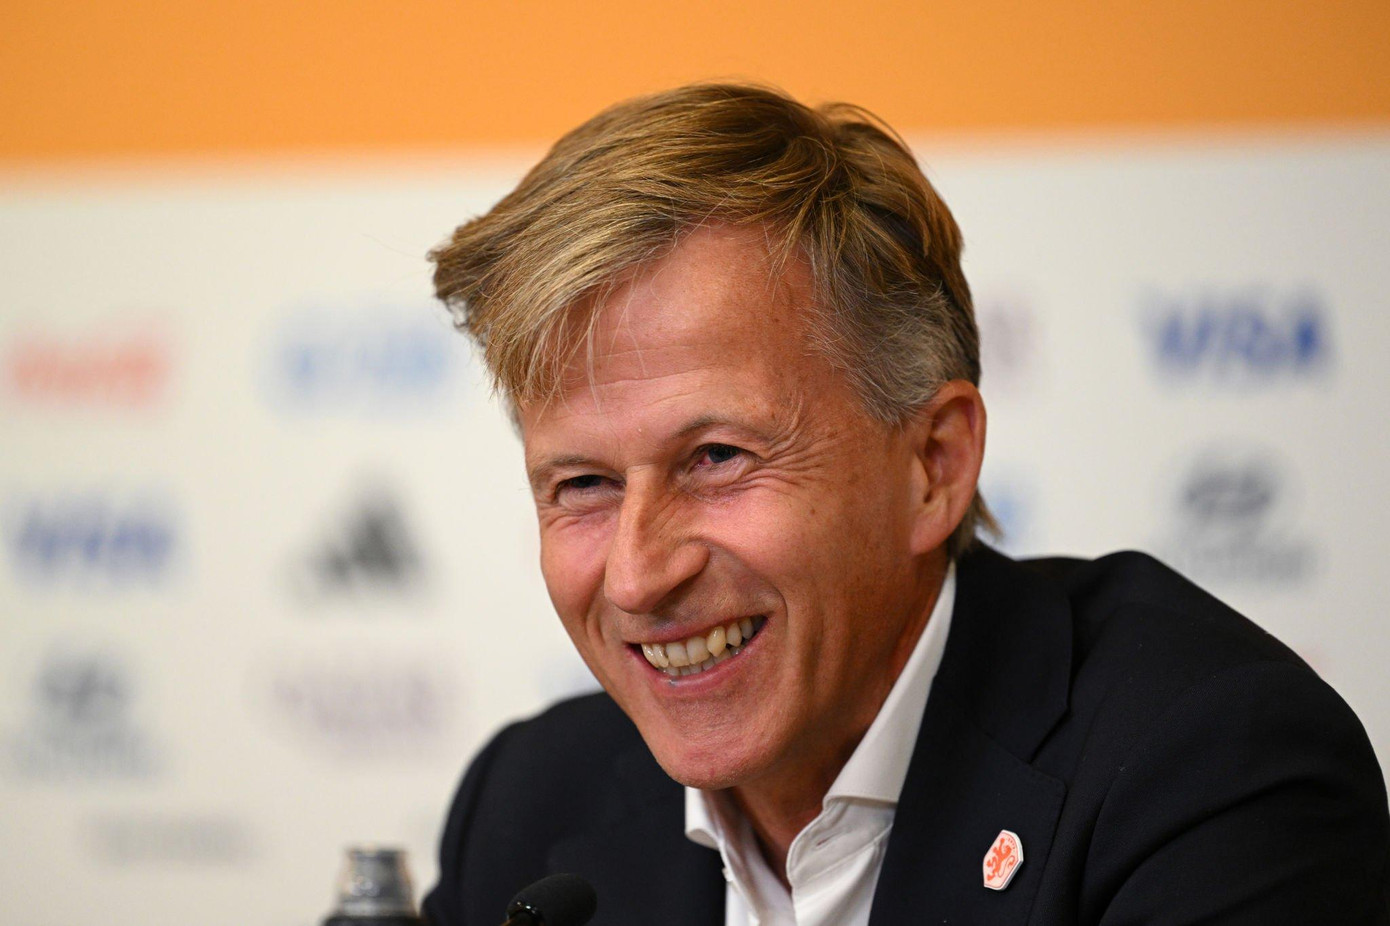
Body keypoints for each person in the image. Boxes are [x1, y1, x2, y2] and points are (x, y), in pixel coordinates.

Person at [420, 84, 1390, 925]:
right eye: (583, 484)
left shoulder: (1207, 768)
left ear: (934, 464)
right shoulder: (529, 805)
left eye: (716, 458)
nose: (637, 575)